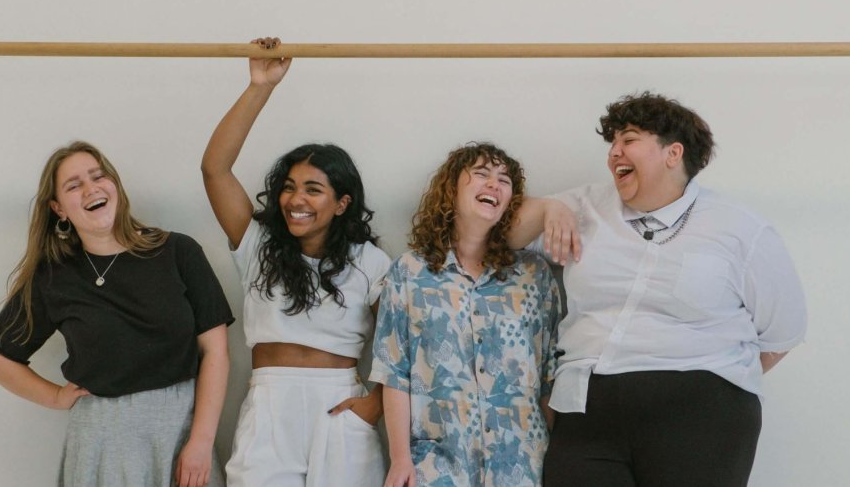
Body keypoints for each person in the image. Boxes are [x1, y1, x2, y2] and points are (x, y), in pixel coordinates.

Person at [512, 92, 808, 487]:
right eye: (612, 142)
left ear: (673, 153)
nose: (614, 152)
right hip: (587, 409)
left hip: (702, 414)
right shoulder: (584, 206)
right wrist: (547, 208)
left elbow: (783, 331)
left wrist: (714, 382)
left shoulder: (740, 228)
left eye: (629, 139)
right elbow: (500, 233)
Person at [0, 141, 233, 487]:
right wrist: (55, 397)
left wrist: (200, 441)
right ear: (58, 208)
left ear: (114, 185)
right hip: (100, 440)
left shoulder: (178, 252)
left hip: (180, 432)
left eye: (98, 176)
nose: (90, 188)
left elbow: (216, 352)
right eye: (74, 185)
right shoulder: (54, 277)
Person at [201, 38, 389, 486]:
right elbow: (214, 169)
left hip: (341, 405)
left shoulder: (370, 261)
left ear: (342, 203)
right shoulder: (258, 245)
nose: (296, 199)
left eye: (313, 189)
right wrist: (260, 86)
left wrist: (375, 405)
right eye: (289, 187)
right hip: (270, 404)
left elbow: (401, 344)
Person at [371, 143, 562, 487]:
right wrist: (400, 459)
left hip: (523, 466)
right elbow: (395, 372)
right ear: (451, 190)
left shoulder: (534, 275)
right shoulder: (410, 271)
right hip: (439, 466)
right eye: (481, 174)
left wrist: (557, 459)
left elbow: (549, 374)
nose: (494, 184)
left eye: (504, 180)